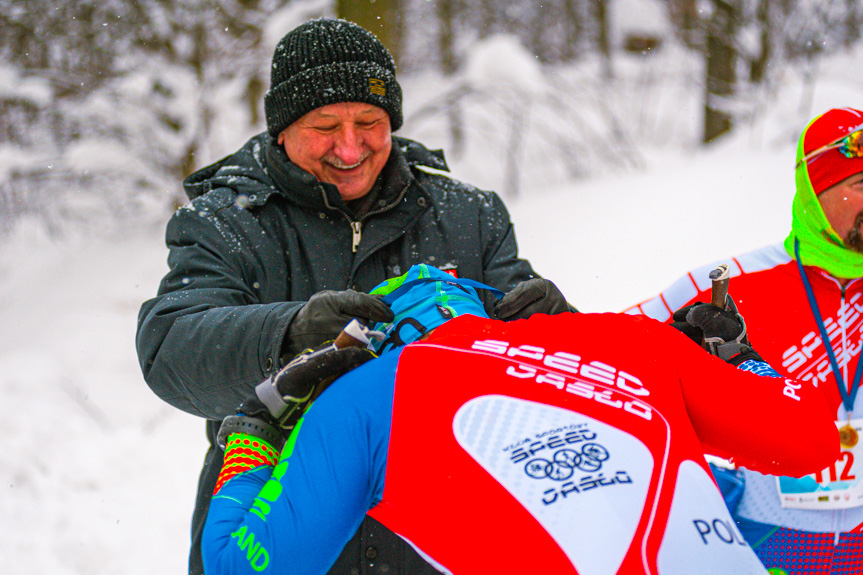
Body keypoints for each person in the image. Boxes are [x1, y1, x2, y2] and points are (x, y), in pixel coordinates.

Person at [136, 18, 571, 575]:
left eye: (370, 121)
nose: (350, 146)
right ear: (283, 128)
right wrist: (287, 333)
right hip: (273, 529)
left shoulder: (468, 214)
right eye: (325, 125)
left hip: (437, 531)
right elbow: (170, 348)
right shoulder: (225, 221)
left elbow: (547, 380)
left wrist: (558, 326)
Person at [200, 264, 838, 575]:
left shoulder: (364, 395)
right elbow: (809, 445)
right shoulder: (630, 339)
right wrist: (739, 357)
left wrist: (255, 430)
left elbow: (243, 566)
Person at [625, 107, 863, 574]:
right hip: (767, 537)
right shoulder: (731, 283)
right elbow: (610, 347)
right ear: (817, 194)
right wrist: (550, 318)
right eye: (861, 187)